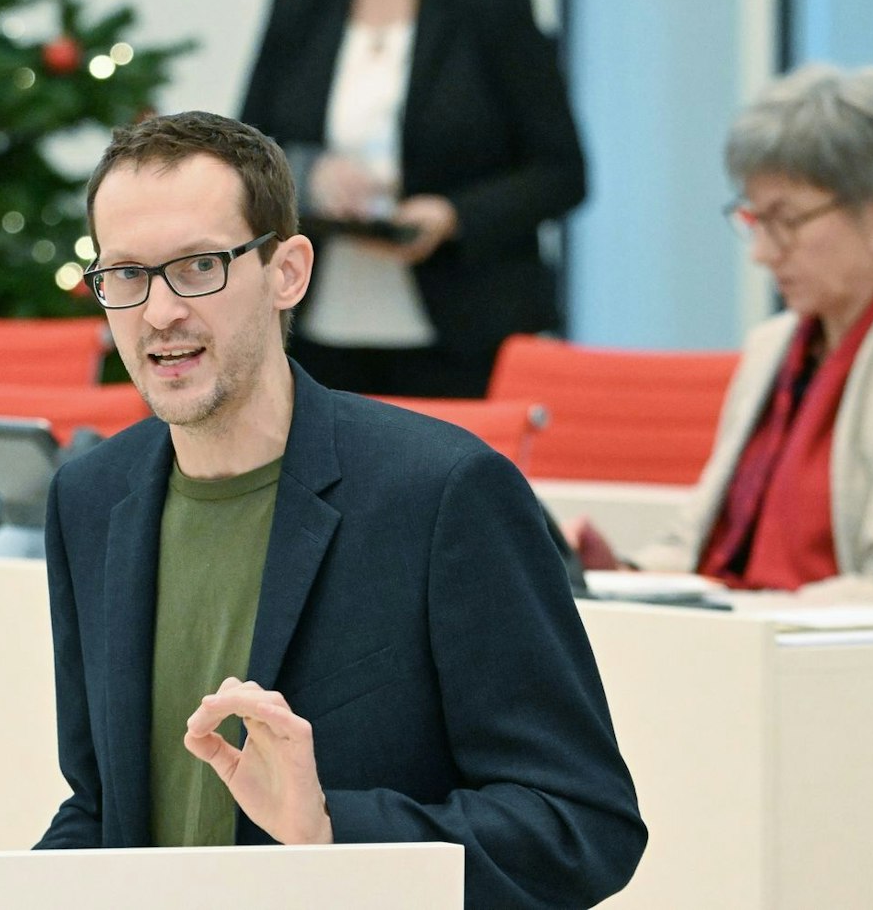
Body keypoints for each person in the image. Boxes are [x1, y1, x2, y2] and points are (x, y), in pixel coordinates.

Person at [38, 111, 644, 908]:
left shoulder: (444, 493)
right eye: (125, 275)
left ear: (287, 272)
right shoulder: (89, 498)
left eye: (198, 267)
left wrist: (329, 829)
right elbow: (104, 808)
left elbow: (580, 824)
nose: (158, 313)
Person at [569, 65, 873, 607]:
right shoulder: (775, 347)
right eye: (754, 219)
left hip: (836, 655)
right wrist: (621, 576)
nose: (761, 252)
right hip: (740, 639)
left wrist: (723, 618)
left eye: (787, 221)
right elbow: (705, 550)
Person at [239, 0, 586, 399]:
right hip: (317, 329)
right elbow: (245, 155)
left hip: (463, 328)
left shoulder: (492, 5)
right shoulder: (297, 9)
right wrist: (313, 173)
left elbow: (561, 172)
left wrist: (452, 216)